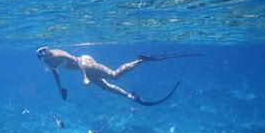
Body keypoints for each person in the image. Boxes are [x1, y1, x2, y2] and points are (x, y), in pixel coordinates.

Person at [36, 46, 190, 106]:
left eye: (45, 50)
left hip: (86, 63)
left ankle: (141, 60)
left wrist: (84, 77)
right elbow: (55, 72)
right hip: (84, 69)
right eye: (41, 53)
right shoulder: (49, 62)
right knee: (104, 87)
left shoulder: (58, 54)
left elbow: (77, 61)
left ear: (49, 50)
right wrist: (60, 88)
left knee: (114, 75)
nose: (44, 53)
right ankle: (132, 97)